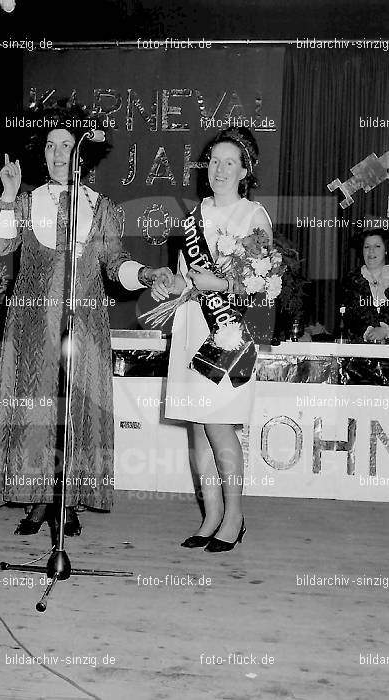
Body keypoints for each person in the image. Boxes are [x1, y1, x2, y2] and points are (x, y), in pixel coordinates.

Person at [0, 105, 173, 536]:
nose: (57, 153)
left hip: (83, 324)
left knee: (77, 411)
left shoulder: (101, 207)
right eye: (50, 145)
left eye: (66, 145)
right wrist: (10, 195)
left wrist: (145, 274)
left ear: (80, 155)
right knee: (38, 413)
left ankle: (67, 499)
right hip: (32, 328)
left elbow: (115, 263)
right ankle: (38, 502)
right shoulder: (27, 202)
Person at [152, 127, 275, 553]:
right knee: (197, 431)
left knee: (219, 425)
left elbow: (261, 284)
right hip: (191, 327)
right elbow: (186, 275)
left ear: (245, 171)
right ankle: (211, 515)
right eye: (215, 162)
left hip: (227, 331)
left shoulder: (253, 216)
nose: (220, 169)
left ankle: (235, 516)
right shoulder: (192, 217)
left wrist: (219, 281)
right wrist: (168, 284)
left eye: (230, 162)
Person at [341, 229, 389, 343]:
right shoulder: (350, 280)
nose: (371, 251)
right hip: (360, 351)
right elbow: (347, 318)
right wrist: (368, 332)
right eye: (367, 247)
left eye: (377, 246)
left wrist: (386, 331)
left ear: (386, 250)